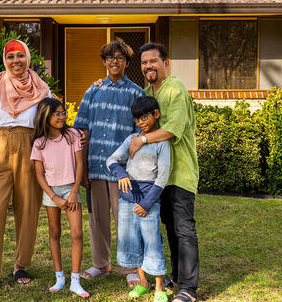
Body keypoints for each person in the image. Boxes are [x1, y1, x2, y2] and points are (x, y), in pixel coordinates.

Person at [0, 39, 51, 297]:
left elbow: (52, 122)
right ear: (4, 61)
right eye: (10, 57)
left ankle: (21, 265)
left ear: (28, 58)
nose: (16, 61)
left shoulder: (42, 89)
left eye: (20, 56)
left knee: (28, 209)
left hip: (30, 147)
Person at [129, 42, 200, 302]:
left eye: (153, 61)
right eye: (144, 62)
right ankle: (178, 278)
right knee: (169, 229)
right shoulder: (147, 92)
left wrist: (142, 140)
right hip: (156, 177)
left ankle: (189, 290)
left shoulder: (176, 89)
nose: (148, 66)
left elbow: (173, 129)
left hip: (179, 173)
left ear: (165, 63)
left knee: (183, 230)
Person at [73, 39, 144, 286]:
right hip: (94, 168)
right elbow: (80, 132)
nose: (115, 61)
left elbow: (140, 133)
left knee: (125, 220)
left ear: (126, 63)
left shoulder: (136, 93)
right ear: (104, 62)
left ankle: (131, 268)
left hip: (123, 171)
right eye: (110, 58)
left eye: (120, 58)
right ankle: (101, 264)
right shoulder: (93, 91)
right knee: (98, 219)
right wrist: (81, 169)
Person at [106, 96, 170, 302]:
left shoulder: (162, 143)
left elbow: (162, 176)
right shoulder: (131, 139)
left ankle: (159, 287)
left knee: (152, 242)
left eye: (144, 117)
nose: (140, 122)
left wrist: (146, 203)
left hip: (148, 203)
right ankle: (143, 282)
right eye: (137, 119)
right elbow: (112, 160)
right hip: (126, 201)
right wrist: (121, 174)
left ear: (156, 115)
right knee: (133, 242)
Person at [30, 97, 89, 298]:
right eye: (57, 113)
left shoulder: (72, 135)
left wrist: (73, 192)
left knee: (77, 233)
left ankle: (75, 280)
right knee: (54, 232)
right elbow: (39, 175)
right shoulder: (39, 142)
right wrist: (54, 197)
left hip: (71, 190)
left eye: (63, 113)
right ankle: (59, 276)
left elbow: (79, 164)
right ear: (45, 116)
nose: (62, 116)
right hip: (52, 193)